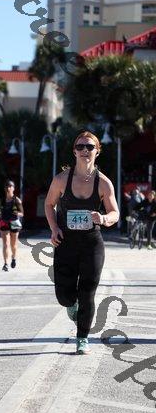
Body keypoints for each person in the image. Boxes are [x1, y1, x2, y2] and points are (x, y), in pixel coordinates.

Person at [44, 131, 119, 355]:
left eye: (90, 147)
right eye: (80, 146)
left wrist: (103, 218)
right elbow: (49, 205)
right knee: (64, 295)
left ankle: (82, 338)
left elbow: (115, 213)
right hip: (65, 242)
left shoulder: (103, 183)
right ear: (74, 151)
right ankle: (71, 305)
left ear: (97, 151)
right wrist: (54, 228)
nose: (85, 150)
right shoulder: (61, 179)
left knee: (88, 292)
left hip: (91, 244)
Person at [0, 179, 24, 271]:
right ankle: (5, 263)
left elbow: (22, 213)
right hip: (4, 223)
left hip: (14, 223)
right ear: (5, 188)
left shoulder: (17, 200)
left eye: (10, 186)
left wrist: (16, 213)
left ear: (13, 188)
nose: (8, 188)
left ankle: (13, 258)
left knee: (13, 244)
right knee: (5, 243)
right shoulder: (1, 200)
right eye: (7, 186)